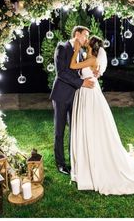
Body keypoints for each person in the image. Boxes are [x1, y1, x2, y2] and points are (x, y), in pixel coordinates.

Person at [69, 36, 134, 195]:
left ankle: (93, 161)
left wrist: (76, 51)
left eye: (87, 43)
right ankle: (86, 160)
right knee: (87, 124)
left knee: (91, 124)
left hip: (89, 94)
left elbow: (73, 65)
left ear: (91, 47)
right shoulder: (90, 58)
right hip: (85, 92)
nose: (84, 43)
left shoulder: (92, 59)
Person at [50, 26, 95, 175]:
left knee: (74, 130)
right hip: (62, 96)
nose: (86, 40)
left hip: (75, 96)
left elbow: (79, 71)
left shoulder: (81, 52)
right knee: (59, 131)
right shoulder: (62, 47)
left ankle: (74, 159)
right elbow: (61, 73)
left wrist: (92, 73)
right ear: (77, 34)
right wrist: (82, 83)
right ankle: (61, 164)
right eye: (85, 36)